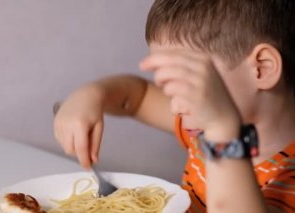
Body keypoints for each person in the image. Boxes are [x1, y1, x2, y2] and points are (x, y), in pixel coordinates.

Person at [53, 0, 295, 212]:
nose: (175, 107)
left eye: (190, 84)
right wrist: (92, 95)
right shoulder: (200, 128)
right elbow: (136, 97)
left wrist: (222, 131)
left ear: (261, 68)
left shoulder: (287, 175)